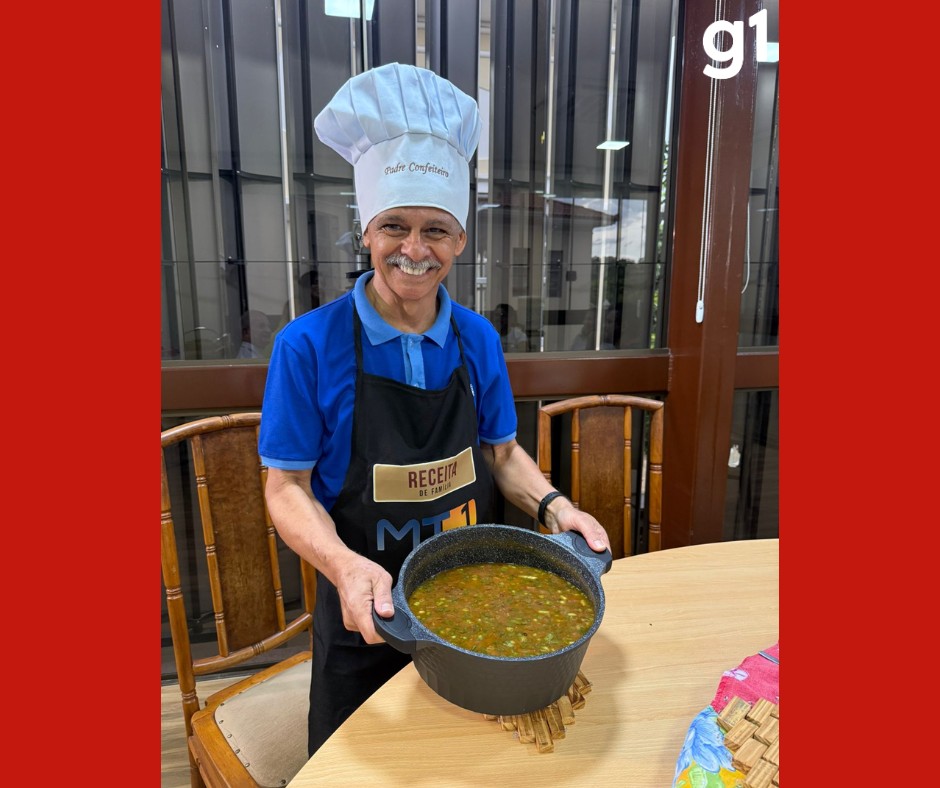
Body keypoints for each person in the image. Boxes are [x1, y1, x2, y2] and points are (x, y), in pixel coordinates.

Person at [257, 62, 610, 757]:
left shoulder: (477, 339)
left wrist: (555, 507)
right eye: (395, 226)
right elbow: (286, 486)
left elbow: (502, 453)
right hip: (366, 614)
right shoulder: (308, 345)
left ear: (460, 241)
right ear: (366, 231)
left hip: (479, 610)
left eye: (436, 231)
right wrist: (343, 567)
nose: (414, 251)